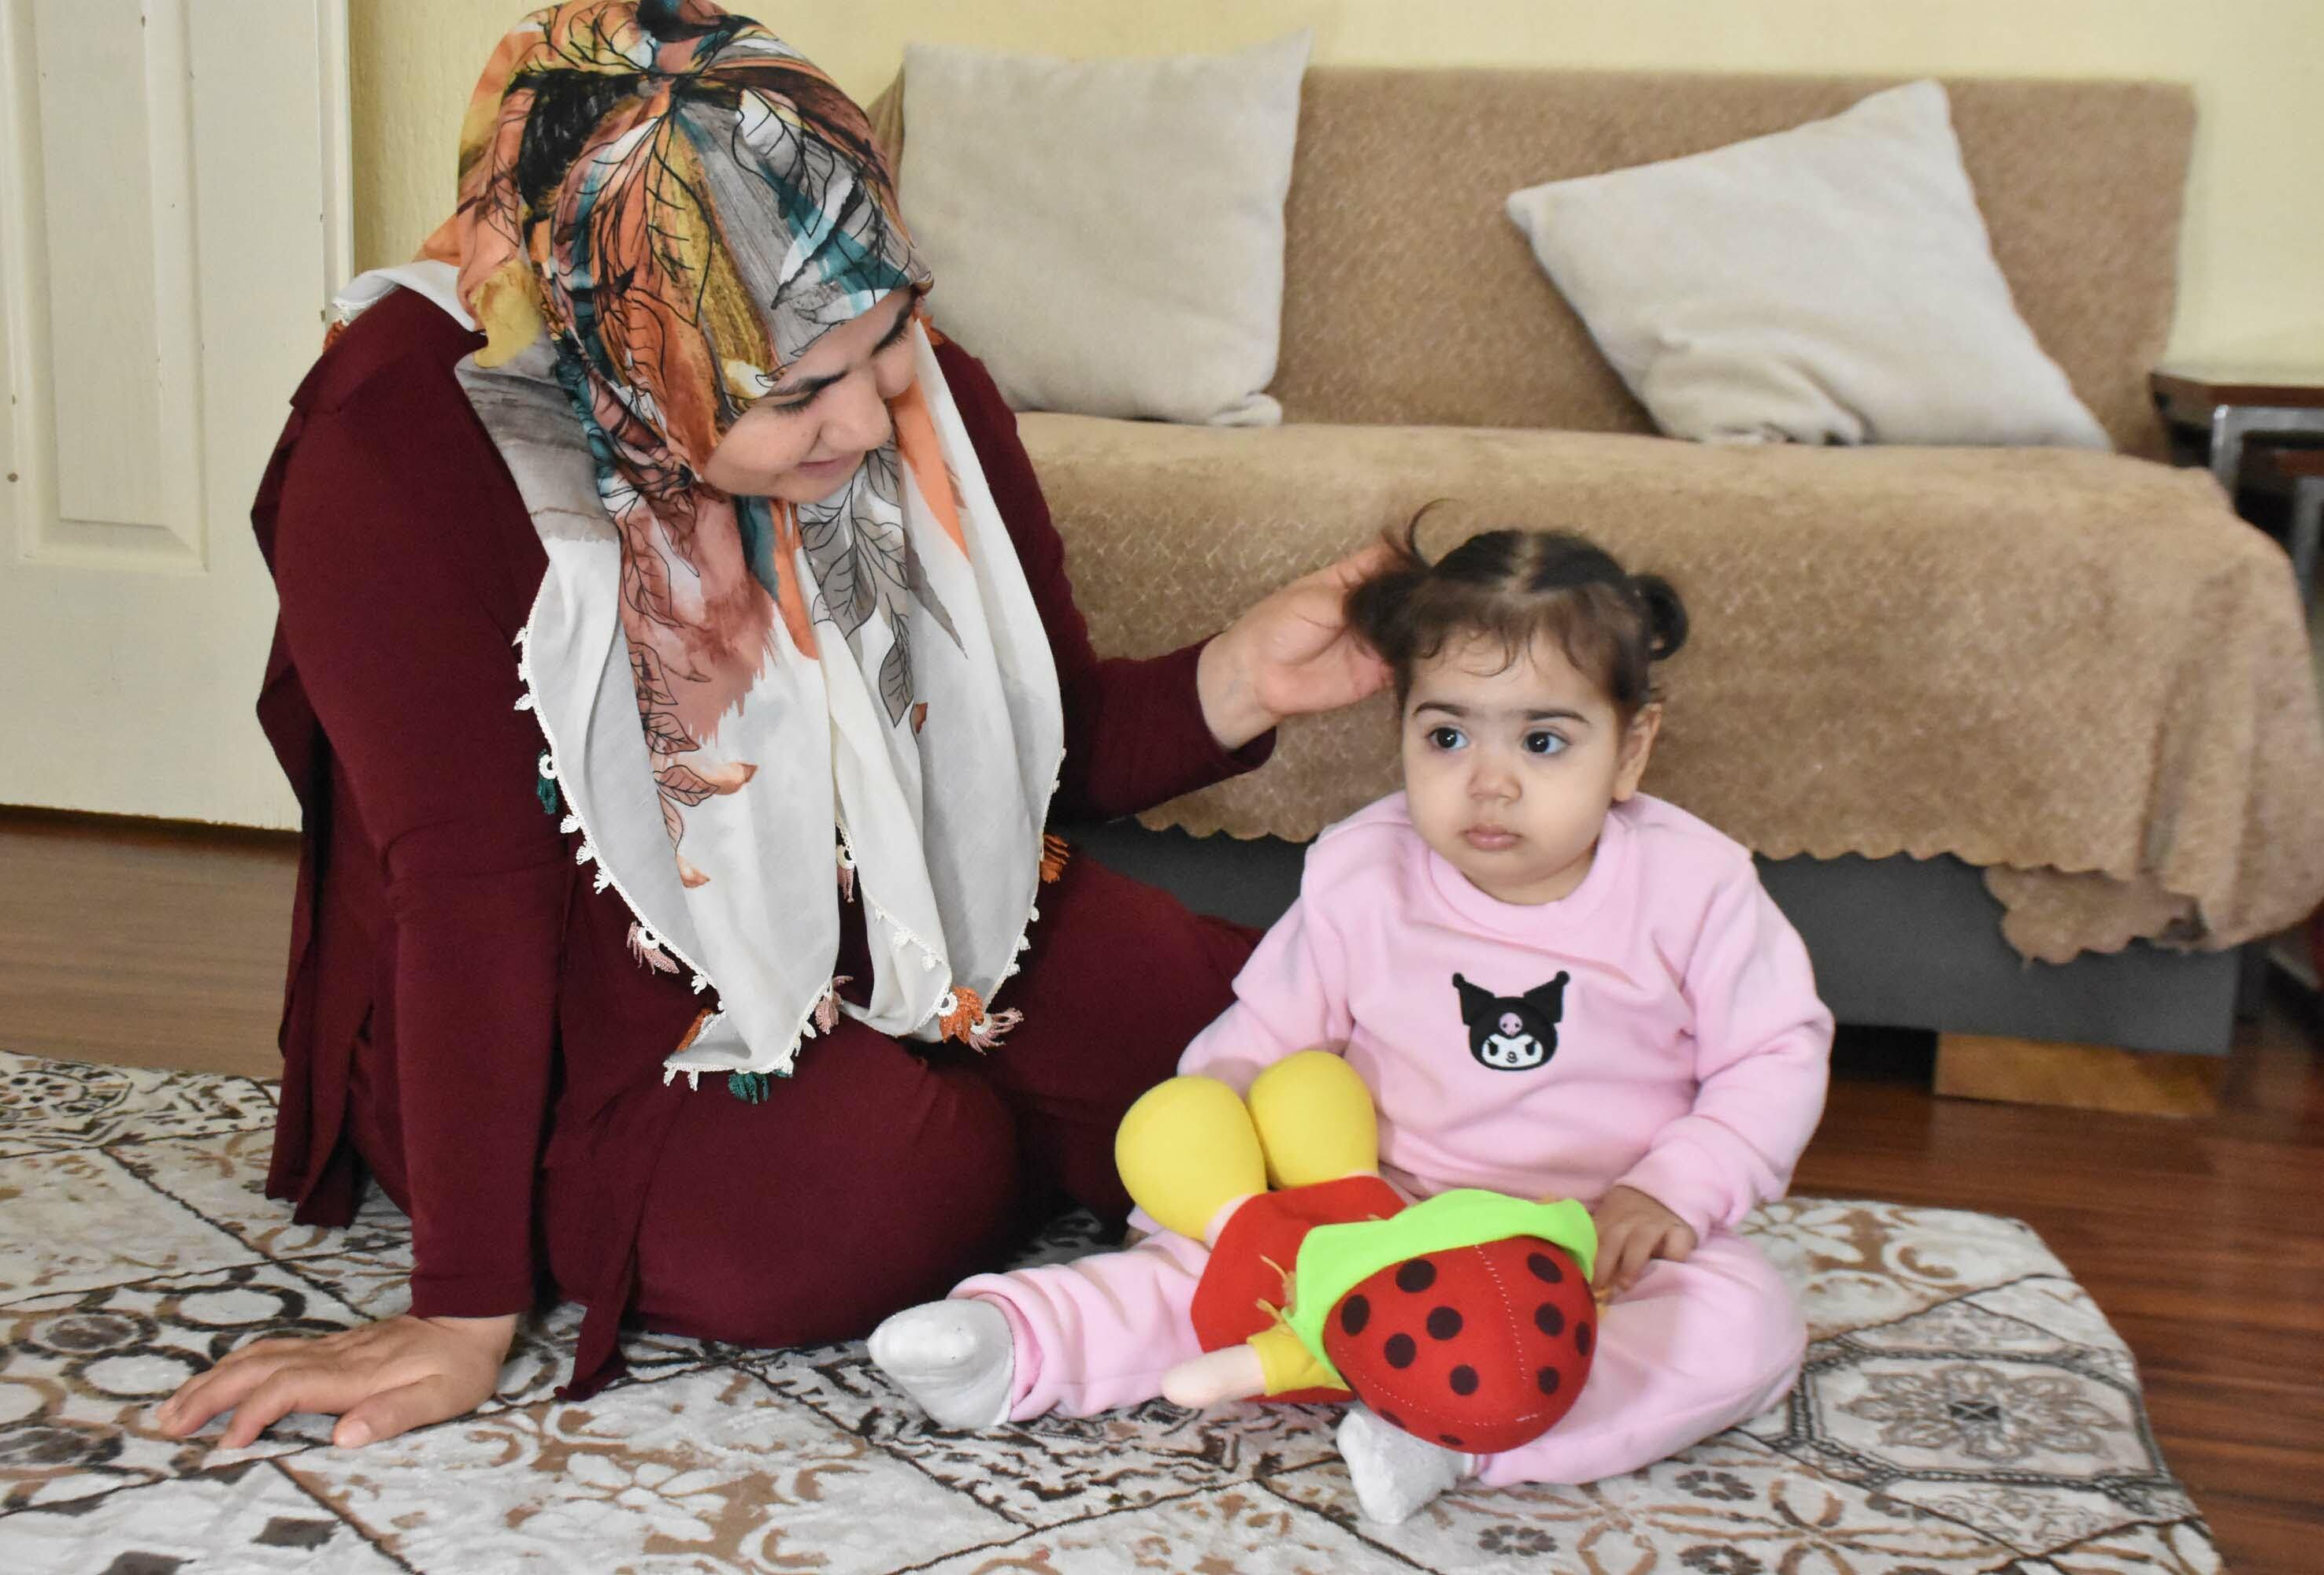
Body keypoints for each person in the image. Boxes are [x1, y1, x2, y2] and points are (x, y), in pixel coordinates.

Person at [154, 0, 1389, 1454]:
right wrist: (462, 1307)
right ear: (619, 346)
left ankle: (1006, 1121)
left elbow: (1030, 755)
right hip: (590, 973)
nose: (867, 423)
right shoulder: (395, 448)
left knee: (1247, 1023)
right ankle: (1025, 1145)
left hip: (896, 894)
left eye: (890, 338)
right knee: (848, 1215)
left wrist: (1238, 681)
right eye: (795, 392)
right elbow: (471, 891)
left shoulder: (891, 369)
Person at [871, 524, 1834, 1522]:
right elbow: (1265, 1033)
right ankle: (1017, 1342)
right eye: (1447, 737)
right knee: (1192, 1277)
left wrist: (1673, 1188)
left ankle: (1457, 1432)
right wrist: (1206, 1195)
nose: (1490, 780)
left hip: (1585, 1245)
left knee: (1740, 1321)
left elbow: (1774, 1054)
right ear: (1403, 727)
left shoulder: (1696, 887)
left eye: (1542, 741)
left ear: (1630, 749)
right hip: (1377, 1214)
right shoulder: (1364, 867)